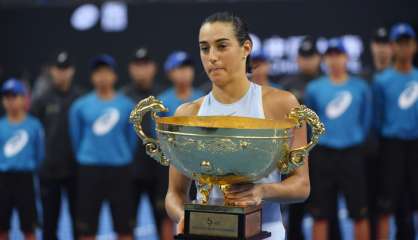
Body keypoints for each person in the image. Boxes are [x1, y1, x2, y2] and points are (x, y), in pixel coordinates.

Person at [164, 12, 309, 240]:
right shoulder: (188, 113)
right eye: (204, 48)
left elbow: (302, 185)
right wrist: (186, 218)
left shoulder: (282, 104)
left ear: (246, 48)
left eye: (222, 46)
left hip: (266, 232)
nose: (212, 57)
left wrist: (262, 191)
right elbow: (175, 193)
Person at [305, 38, 371, 240]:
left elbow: (367, 121)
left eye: (338, 55)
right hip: (323, 156)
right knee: (320, 215)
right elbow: (310, 124)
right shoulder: (314, 88)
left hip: (352, 155)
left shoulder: (360, 87)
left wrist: (355, 139)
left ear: (347, 58)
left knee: (360, 213)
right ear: (325, 59)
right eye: (330, 56)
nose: (334, 60)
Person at [69, 54, 137, 240]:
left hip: (119, 170)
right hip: (89, 170)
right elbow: (76, 138)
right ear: (92, 77)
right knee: (87, 228)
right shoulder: (79, 106)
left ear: (114, 76)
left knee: (124, 228)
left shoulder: (127, 106)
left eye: (107, 72)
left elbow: (132, 139)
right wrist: (88, 155)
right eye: (98, 73)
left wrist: (121, 155)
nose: (102, 77)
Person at [31, 51, 83, 240]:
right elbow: (30, 133)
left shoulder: (80, 98)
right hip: (49, 171)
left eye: (66, 68)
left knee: (79, 223)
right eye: (58, 69)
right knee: (49, 224)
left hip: (75, 170)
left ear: (72, 71)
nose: (62, 73)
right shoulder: (41, 100)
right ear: (52, 70)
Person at [121, 47, 172, 239]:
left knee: (164, 221)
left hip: (159, 171)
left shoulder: (163, 97)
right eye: (137, 65)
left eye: (146, 65)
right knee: (127, 223)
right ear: (130, 69)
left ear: (154, 68)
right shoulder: (122, 97)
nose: (141, 70)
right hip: (130, 172)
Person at [374, 23, 418, 240]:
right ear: (392, 47)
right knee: (390, 203)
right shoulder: (382, 81)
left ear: (414, 46)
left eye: (407, 43)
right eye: (399, 44)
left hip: (416, 147)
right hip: (392, 148)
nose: (404, 48)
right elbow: (377, 118)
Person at [0, 79, 44, 240]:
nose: (10, 101)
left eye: (14, 96)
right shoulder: (1, 126)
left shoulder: (34, 125)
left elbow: (40, 155)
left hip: (25, 180)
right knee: (2, 227)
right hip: (3, 180)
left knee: (29, 227)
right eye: (6, 97)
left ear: (24, 98)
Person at [158, 51, 204, 117]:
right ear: (169, 73)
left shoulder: (202, 97)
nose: (185, 71)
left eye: (188, 66)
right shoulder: (162, 102)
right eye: (179, 67)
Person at [281, 36, 322, 103]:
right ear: (297, 59)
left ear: (319, 58)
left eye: (310, 56)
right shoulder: (288, 84)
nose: (307, 60)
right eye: (303, 56)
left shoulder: (327, 82)